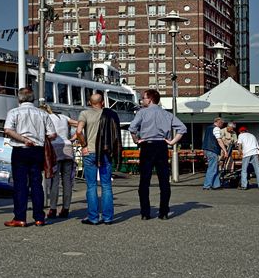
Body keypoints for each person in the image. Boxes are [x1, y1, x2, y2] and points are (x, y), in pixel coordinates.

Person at [128, 88, 186, 220]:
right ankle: (164, 212)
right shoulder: (166, 114)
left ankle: (145, 213)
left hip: (147, 146)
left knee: (144, 180)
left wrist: (136, 140)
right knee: (164, 181)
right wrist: (172, 142)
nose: (142, 100)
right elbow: (182, 128)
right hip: (161, 146)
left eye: (144, 97)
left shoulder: (142, 113)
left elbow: (132, 128)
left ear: (150, 99)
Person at [3, 87, 53, 227]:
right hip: (38, 150)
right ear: (33, 99)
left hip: (20, 150)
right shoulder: (42, 114)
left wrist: (23, 139)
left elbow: (8, 130)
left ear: (19, 99)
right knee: (36, 184)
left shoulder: (13, 112)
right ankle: (39, 217)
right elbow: (52, 134)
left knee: (20, 185)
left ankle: (20, 217)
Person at [75, 92, 121, 225]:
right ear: (102, 103)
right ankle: (108, 218)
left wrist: (84, 145)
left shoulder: (85, 114)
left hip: (89, 152)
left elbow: (78, 131)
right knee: (106, 186)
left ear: (90, 103)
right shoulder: (110, 114)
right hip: (105, 152)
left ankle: (93, 217)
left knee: (91, 186)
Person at [43, 103, 77, 219]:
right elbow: (79, 124)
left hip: (55, 149)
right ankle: (66, 208)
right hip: (68, 148)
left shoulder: (45, 117)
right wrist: (74, 138)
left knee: (55, 181)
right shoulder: (63, 117)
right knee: (67, 180)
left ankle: (53, 209)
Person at [201, 116, 226, 190]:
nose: (222, 126)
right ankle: (206, 185)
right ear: (219, 123)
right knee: (212, 168)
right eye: (222, 124)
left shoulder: (208, 128)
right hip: (212, 149)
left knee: (214, 167)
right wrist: (225, 150)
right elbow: (219, 140)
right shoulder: (216, 128)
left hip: (206, 149)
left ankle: (216, 185)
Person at [236, 126, 259, 190]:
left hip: (247, 153)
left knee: (244, 170)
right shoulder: (252, 135)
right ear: (246, 130)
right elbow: (257, 146)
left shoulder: (241, 135)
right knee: (257, 169)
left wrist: (239, 153)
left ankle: (244, 185)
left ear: (240, 132)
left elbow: (239, 145)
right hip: (255, 152)